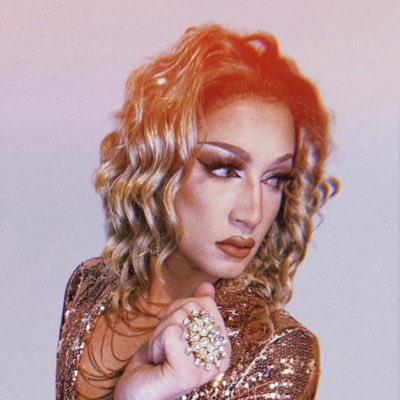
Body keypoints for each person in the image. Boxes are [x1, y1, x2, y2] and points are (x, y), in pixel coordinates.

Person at [56, 24, 338, 399]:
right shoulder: (89, 288)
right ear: (160, 165)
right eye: (225, 169)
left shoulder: (276, 353)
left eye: (275, 179)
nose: (252, 213)